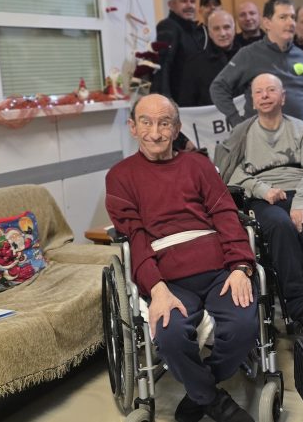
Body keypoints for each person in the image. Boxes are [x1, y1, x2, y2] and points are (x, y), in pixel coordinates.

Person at [105, 94, 257, 422]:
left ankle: (200, 393)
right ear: (132, 127)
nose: (155, 133)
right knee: (170, 335)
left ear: (176, 129)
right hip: (167, 279)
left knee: (244, 326)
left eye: (164, 123)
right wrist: (156, 288)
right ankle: (215, 402)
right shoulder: (120, 176)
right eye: (146, 122)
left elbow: (225, 215)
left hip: (219, 269)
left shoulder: (198, 166)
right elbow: (136, 237)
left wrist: (241, 266)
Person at [215, 73, 303, 330]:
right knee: (279, 225)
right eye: (259, 92)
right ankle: (299, 305)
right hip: (263, 197)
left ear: (283, 97)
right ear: (253, 100)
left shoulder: (300, 128)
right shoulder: (242, 133)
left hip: (300, 190)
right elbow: (230, 172)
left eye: (270, 90)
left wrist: (300, 204)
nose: (265, 96)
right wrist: (263, 190)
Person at [210, 0, 303, 150]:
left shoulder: (301, 56)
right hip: (262, 145)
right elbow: (218, 87)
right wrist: (237, 122)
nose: (290, 22)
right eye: (283, 17)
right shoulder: (249, 54)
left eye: (292, 17)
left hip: (301, 143)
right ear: (267, 23)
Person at [152, 0, 207, 99]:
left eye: (192, 1)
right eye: (183, 1)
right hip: (178, 101)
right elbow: (163, 64)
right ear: (171, 5)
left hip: (196, 100)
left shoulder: (194, 30)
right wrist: (165, 99)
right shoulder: (168, 26)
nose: (189, 5)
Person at [179, 10, 240, 107]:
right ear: (209, 33)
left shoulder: (248, 57)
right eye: (216, 29)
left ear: (234, 29)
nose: (222, 33)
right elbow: (186, 102)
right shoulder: (194, 64)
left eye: (226, 27)